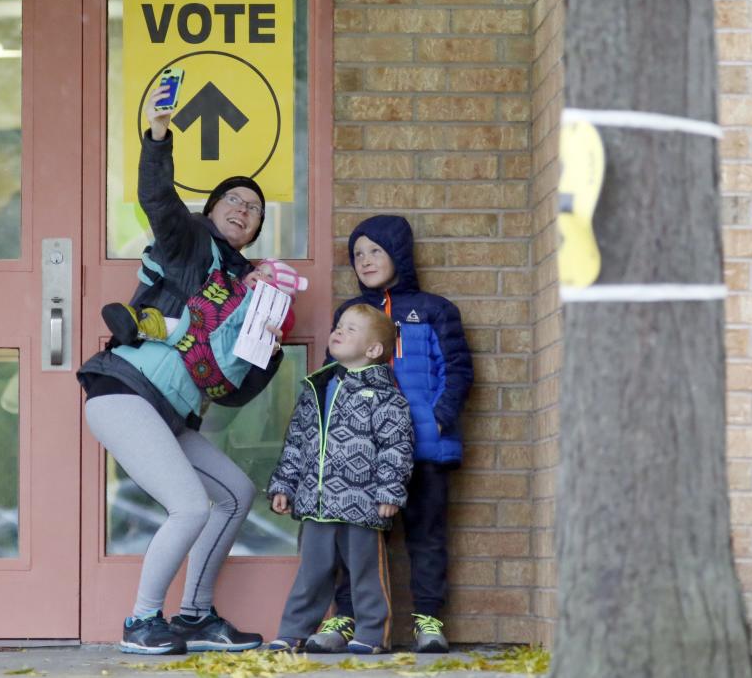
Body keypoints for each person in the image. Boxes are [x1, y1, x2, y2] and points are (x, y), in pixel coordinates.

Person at [77, 86, 285, 655]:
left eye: (255, 209)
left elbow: (236, 393)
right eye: (234, 201)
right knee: (190, 504)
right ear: (213, 210)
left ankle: (194, 614)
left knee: (236, 493)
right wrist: (159, 136)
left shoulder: (253, 291)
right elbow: (159, 197)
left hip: (170, 412)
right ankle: (142, 621)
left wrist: (265, 338)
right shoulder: (187, 241)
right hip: (124, 390)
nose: (244, 210)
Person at [307, 215, 473, 654]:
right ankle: (347, 619)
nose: (365, 260)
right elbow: (333, 376)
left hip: (426, 449)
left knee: (427, 536)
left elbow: (456, 370)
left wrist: (440, 416)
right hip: (363, 455)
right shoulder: (350, 315)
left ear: (398, 252)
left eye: (375, 250)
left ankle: (429, 620)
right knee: (354, 542)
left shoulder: (435, 310)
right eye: (357, 254)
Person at [265, 304, 414, 655]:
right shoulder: (317, 389)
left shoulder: (385, 396)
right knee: (311, 573)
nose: (339, 331)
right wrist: (284, 484)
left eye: (350, 329)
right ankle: (292, 632)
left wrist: (390, 491)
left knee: (366, 573)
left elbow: (396, 446)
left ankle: (372, 635)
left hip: (362, 503)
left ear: (373, 350)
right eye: (339, 326)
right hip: (317, 503)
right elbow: (297, 442)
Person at [101, 258, 307, 344]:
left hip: (221, 343)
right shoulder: (239, 287)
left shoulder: (281, 311)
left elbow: (284, 323)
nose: (259, 275)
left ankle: (142, 327)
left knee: (183, 331)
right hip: (201, 325)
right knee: (179, 325)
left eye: (269, 276)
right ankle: (139, 325)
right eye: (259, 270)